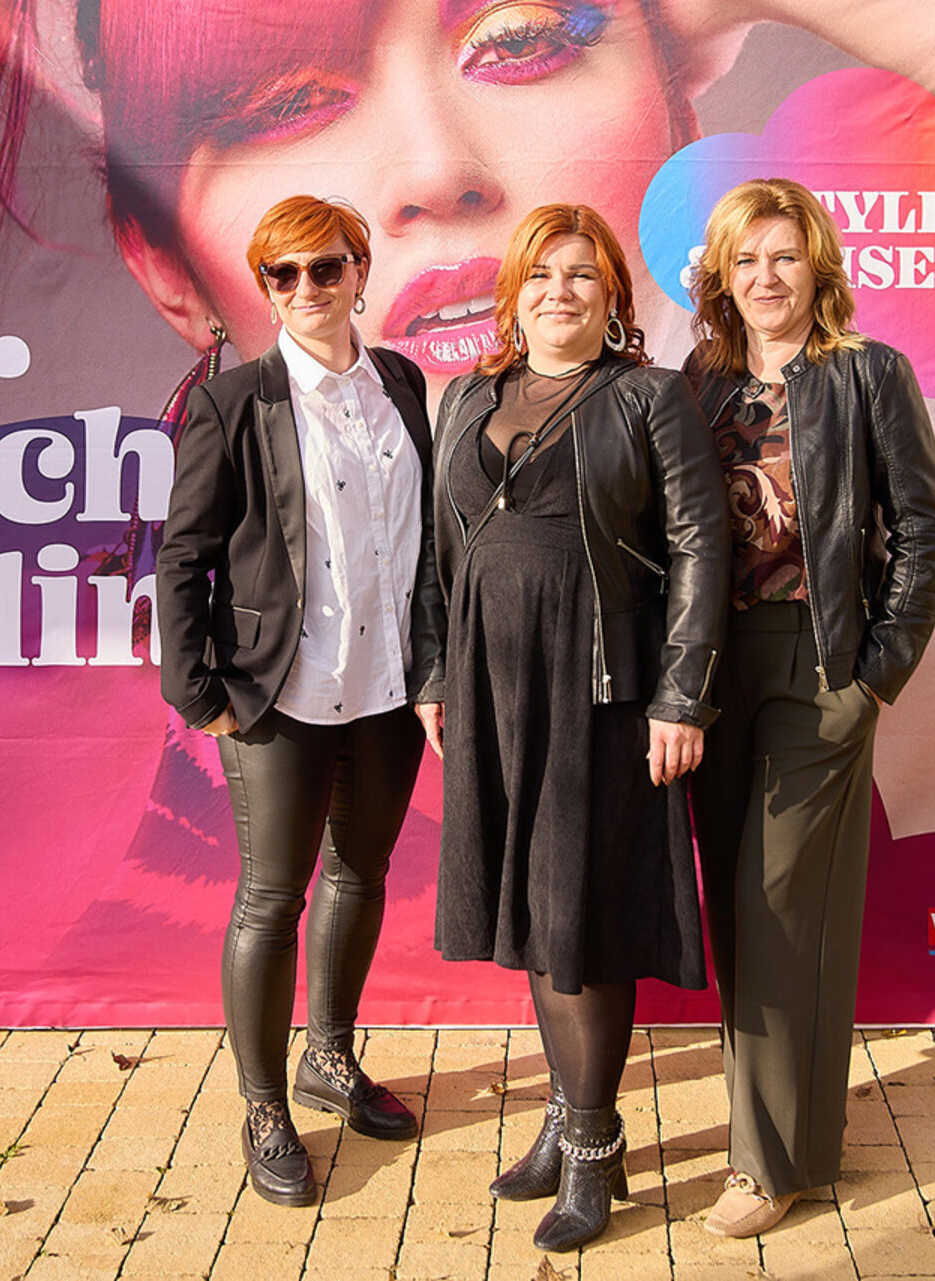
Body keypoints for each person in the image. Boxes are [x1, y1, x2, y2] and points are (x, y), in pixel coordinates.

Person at [412, 203, 727, 1252]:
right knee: (535, 915)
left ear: (612, 298)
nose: (560, 292)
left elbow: (699, 547)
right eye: (542, 274)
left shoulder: (647, 397)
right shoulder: (467, 397)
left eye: (582, 275)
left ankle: (595, 1148)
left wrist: (681, 696)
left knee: (577, 911)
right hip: (491, 690)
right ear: (514, 293)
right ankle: (566, 1116)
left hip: (601, 692)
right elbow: (434, 554)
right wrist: (433, 673)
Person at [680, 178, 935, 1236]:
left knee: (782, 902)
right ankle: (792, 1135)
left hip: (822, 662)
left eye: (784, 256)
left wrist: (878, 671)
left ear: (818, 266)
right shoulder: (698, 383)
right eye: (746, 259)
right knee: (740, 908)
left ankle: (768, 1166)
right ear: (721, 275)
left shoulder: (868, 374)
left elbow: (922, 528)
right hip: (713, 672)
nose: (766, 277)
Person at [155, 196, 434, 1206]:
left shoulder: (401, 381)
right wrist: (200, 694)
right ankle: (265, 1105)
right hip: (277, 693)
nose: (308, 287)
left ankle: (330, 1055)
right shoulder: (236, 402)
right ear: (266, 290)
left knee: (361, 873)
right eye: (285, 274)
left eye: (327, 267)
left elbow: (419, 538)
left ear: (360, 271)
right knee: (273, 899)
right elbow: (182, 555)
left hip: (389, 689)